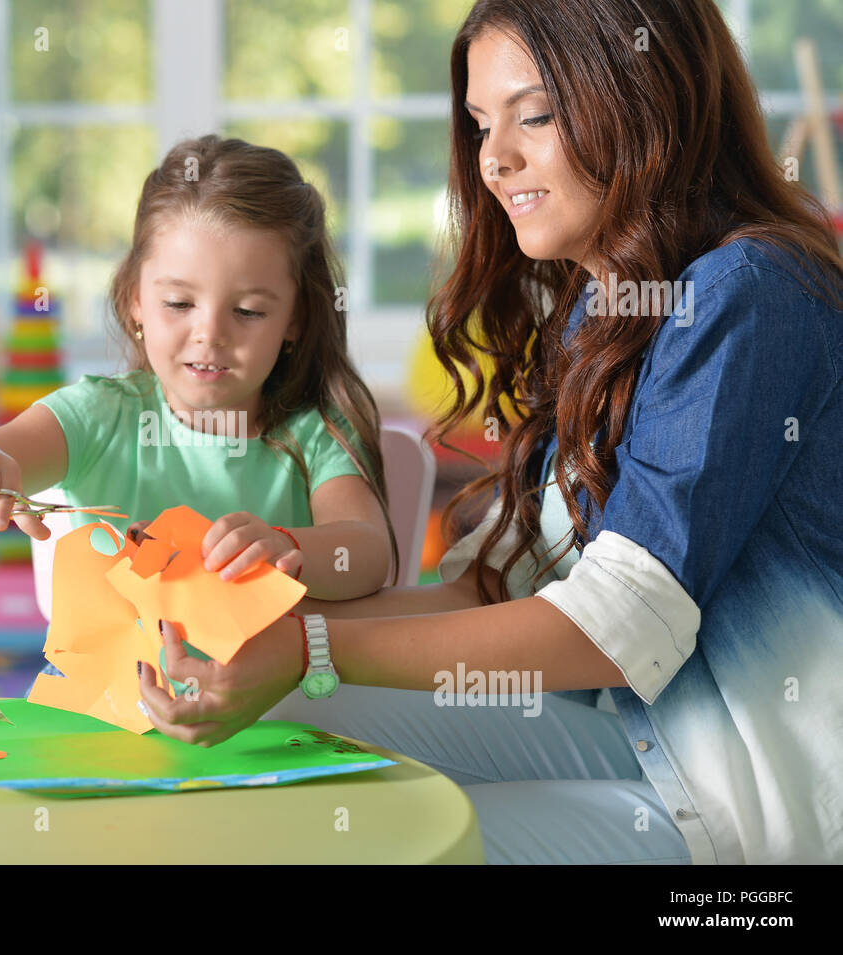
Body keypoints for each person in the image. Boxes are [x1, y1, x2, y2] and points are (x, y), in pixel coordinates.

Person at [137, 0, 843, 865]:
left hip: (745, 805)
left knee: (349, 841)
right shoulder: (603, 308)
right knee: (267, 725)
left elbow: (611, 628)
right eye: (479, 124)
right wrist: (244, 625)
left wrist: (310, 644)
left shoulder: (751, 291)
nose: (495, 159)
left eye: (534, 115)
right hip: (641, 740)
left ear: (644, 93)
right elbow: (496, 592)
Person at [0, 135, 395, 610]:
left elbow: (368, 554)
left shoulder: (317, 431)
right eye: (179, 303)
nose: (210, 333)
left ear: (297, 318)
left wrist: (287, 547)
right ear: (135, 301)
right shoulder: (96, 417)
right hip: (107, 693)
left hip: (276, 694)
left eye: (247, 311)